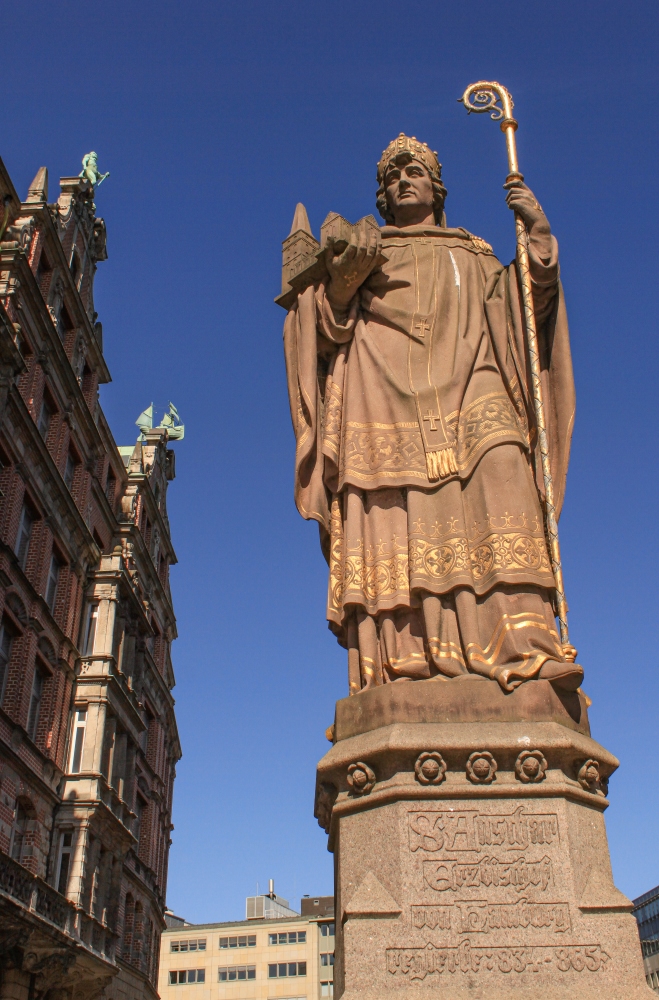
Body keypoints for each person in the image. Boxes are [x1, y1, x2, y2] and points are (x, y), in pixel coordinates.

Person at [283, 133, 580, 694]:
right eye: (391, 177)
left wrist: (538, 243)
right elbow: (312, 333)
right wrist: (341, 290)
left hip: (476, 389)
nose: (402, 181)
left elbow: (525, 319)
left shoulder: (473, 252)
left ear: (436, 186)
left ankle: (529, 645)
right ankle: (406, 659)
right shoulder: (366, 251)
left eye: (413, 170)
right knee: (396, 515)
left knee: (505, 473)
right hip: (381, 397)